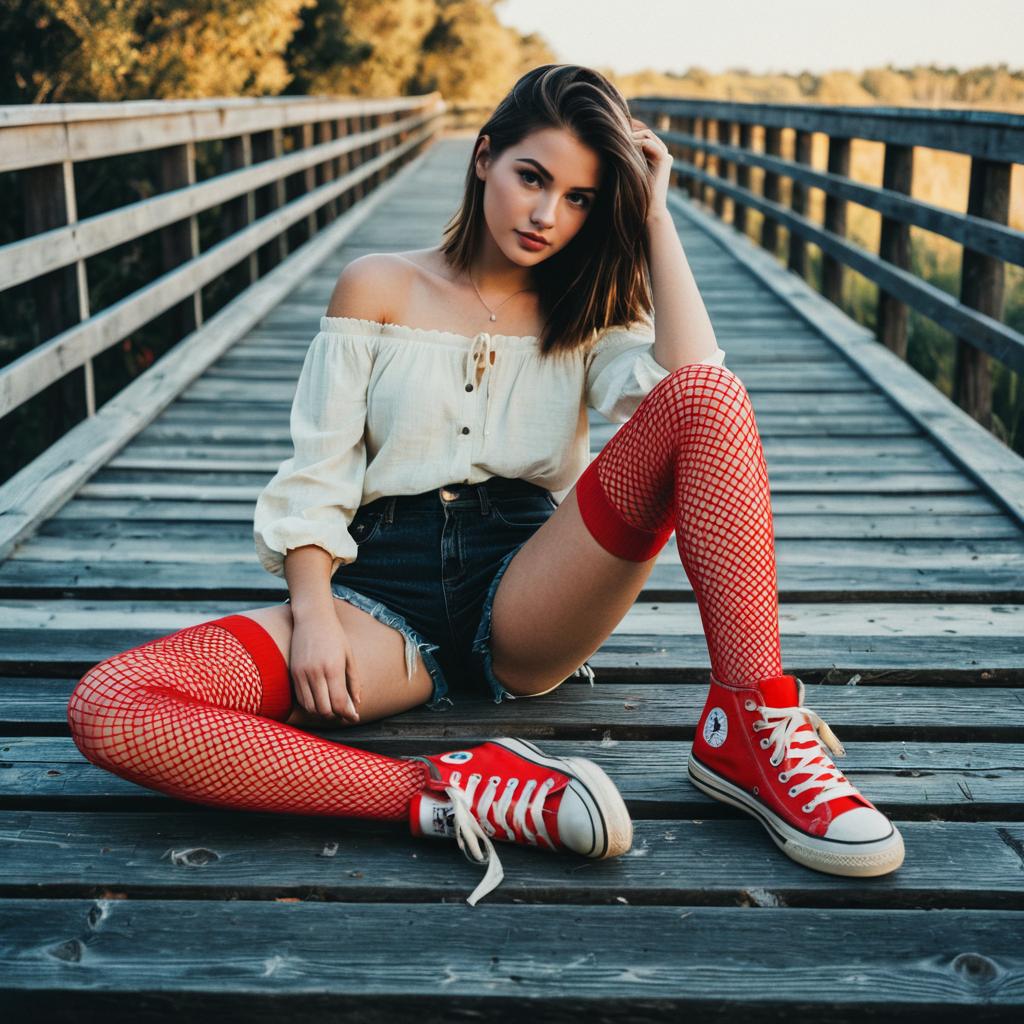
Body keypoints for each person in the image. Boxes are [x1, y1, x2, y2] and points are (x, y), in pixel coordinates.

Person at [67, 64, 903, 908]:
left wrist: (653, 215)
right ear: (483, 158)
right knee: (116, 704)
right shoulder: (378, 285)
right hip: (375, 610)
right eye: (532, 178)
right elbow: (317, 470)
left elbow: (692, 386)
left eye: (579, 198)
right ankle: (455, 791)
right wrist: (312, 613)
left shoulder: (589, 312)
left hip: (531, 589)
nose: (547, 215)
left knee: (707, 394)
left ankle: (747, 724)